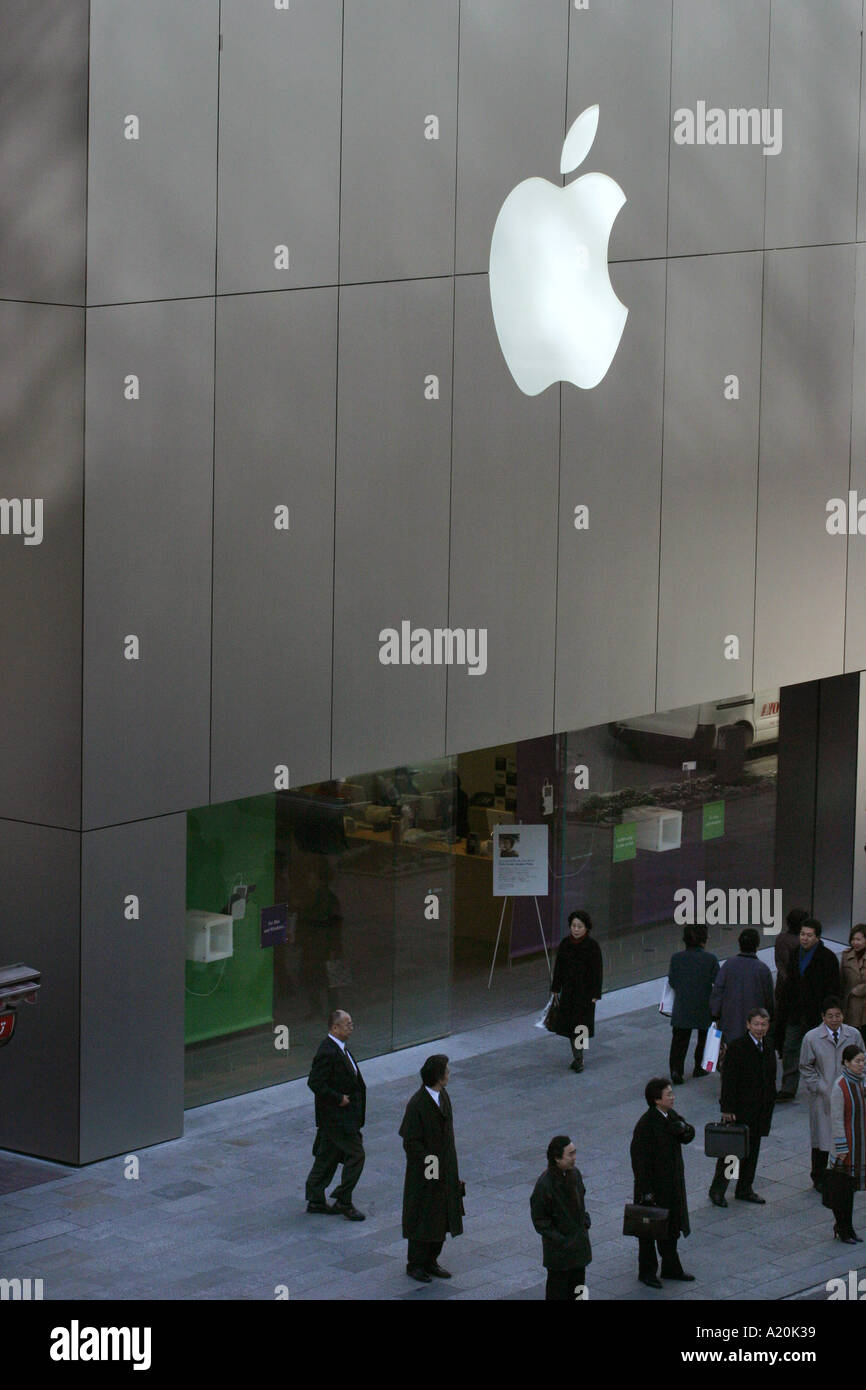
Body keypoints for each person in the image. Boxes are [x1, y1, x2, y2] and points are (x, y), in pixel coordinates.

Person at [398, 1055, 464, 1283]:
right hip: (425, 1174)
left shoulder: (443, 1096)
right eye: (446, 1070)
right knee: (423, 1215)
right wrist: (432, 1168)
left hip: (445, 1169)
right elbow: (411, 1142)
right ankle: (415, 1263)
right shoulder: (417, 1104)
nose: (449, 1073)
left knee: (441, 1217)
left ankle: (431, 1260)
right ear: (438, 1076)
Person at [630, 1078, 695, 1289]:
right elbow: (639, 1161)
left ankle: (671, 1267)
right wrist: (646, 1192)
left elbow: (688, 1134)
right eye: (669, 1094)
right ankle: (647, 1272)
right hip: (654, 1189)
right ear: (657, 1100)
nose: (673, 1097)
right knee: (649, 1232)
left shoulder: (670, 1116)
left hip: (672, 1184)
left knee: (671, 1227)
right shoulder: (646, 1125)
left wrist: (684, 1129)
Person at [708, 1007, 776, 1207]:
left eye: (763, 1024)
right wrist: (727, 1109)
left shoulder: (768, 1045)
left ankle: (745, 1188)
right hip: (739, 1110)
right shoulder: (738, 1047)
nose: (760, 1028)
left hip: (760, 1109)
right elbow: (728, 1080)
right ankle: (719, 1190)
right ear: (748, 1025)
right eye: (756, 1024)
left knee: (752, 1151)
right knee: (732, 1153)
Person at [304, 1010, 366, 1220]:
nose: (351, 1026)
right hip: (337, 1118)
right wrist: (338, 1098)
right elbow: (315, 1082)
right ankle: (344, 1200)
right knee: (356, 1155)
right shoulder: (327, 1051)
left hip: (340, 1118)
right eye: (347, 1023)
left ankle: (315, 1198)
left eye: (351, 1022)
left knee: (328, 1155)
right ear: (335, 1028)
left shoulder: (339, 1048)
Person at [799, 998, 865, 1193]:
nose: (834, 1019)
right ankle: (819, 1176)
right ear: (823, 1017)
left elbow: (863, 1060)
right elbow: (805, 1066)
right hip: (824, 1096)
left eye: (838, 1015)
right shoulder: (811, 1038)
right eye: (830, 1016)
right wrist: (819, 1087)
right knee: (823, 1138)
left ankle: (849, 1174)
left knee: (849, 1133)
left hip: (851, 1094)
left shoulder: (853, 1034)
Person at [777, 919, 842, 1100]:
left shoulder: (827, 957)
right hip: (796, 1011)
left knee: (820, 1051)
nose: (804, 938)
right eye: (802, 934)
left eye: (809, 935)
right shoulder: (795, 953)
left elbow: (833, 987)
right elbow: (789, 982)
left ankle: (824, 1086)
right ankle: (788, 1088)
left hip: (816, 1012)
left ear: (817, 937)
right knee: (790, 1047)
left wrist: (829, 1012)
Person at [530, 1135, 592, 1301]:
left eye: (575, 1152)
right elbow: (540, 1221)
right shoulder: (545, 1185)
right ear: (557, 1158)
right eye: (570, 1154)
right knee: (558, 1292)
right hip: (560, 1254)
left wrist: (584, 1220)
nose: (574, 1158)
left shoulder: (575, 1174)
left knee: (579, 1291)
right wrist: (561, 1240)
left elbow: (581, 1199)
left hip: (578, 1248)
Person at [551, 910, 604, 1073]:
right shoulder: (565, 944)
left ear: (586, 928)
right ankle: (577, 1055)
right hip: (569, 992)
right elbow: (559, 967)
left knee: (581, 1026)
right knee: (570, 1025)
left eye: (579, 926)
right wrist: (555, 988)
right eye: (573, 926)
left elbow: (597, 971)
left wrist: (595, 994)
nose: (575, 929)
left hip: (585, 993)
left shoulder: (592, 946)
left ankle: (579, 1058)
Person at [666, 925, 719, 1084]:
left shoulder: (676, 958)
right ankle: (699, 1067)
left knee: (679, 1039)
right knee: (704, 1037)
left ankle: (676, 1070)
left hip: (682, 1004)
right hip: (703, 1003)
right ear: (704, 939)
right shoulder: (710, 959)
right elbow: (717, 981)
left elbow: (672, 981)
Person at [826, 1044, 866, 1243]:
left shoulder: (860, 1082)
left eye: (863, 1061)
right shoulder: (840, 1086)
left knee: (850, 1190)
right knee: (841, 1190)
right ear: (846, 1063)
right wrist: (841, 1148)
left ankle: (848, 1227)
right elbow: (836, 1119)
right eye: (857, 1061)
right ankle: (842, 1227)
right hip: (845, 1147)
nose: (861, 1065)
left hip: (858, 1143)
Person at [709, 927, 774, 1044]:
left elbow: (717, 992)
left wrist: (715, 1014)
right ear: (757, 944)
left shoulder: (728, 966)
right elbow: (769, 999)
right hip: (755, 1027)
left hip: (730, 1024)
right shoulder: (762, 969)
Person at [774, 907, 811, 1057]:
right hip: (792, 986)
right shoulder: (794, 940)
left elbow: (780, 963)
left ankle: (784, 1048)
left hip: (786, 986)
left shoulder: (782, 939)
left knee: (786, 1019)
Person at [841, 925, 866, 1032]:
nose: (855, 942)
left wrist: (860, 989)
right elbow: (841, 979)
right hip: (850, 1005)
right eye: (853, 939)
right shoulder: (846, 955)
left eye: (858, 939)